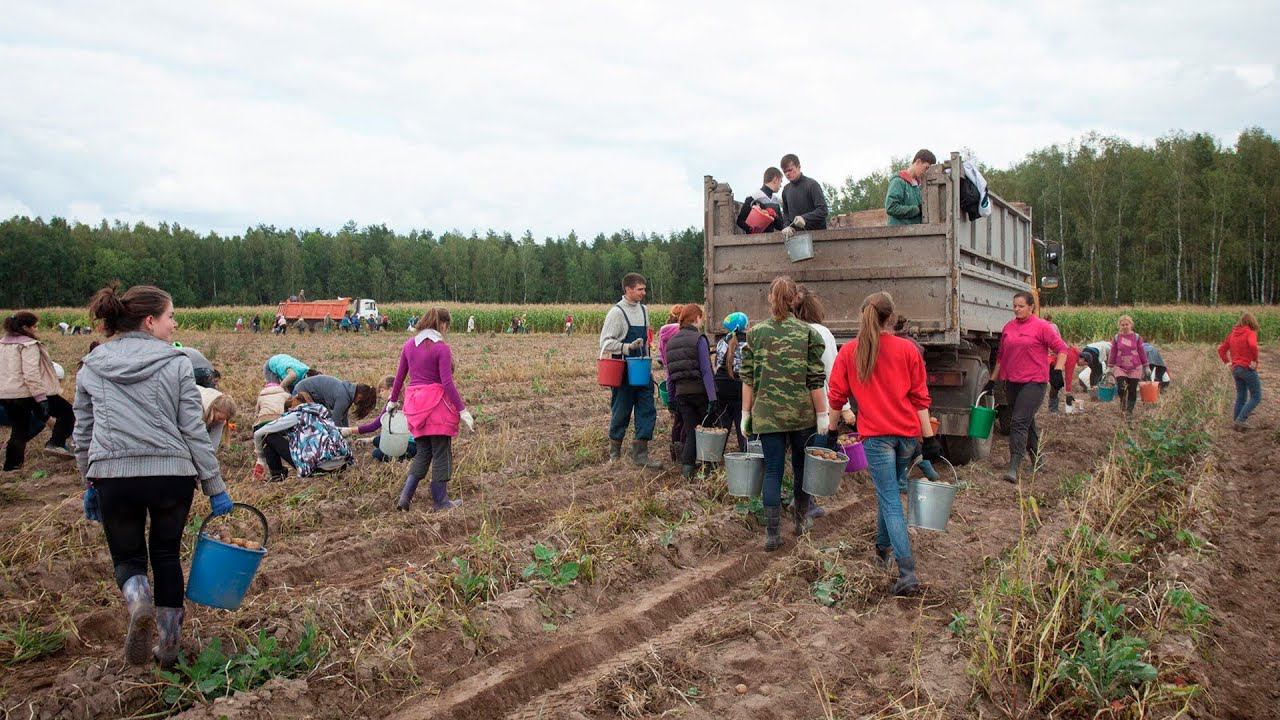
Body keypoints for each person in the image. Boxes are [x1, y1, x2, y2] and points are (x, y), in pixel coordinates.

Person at [74, 284, 231, 668]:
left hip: (114, 476)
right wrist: (215, 487)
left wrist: (90, 482)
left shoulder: (92, 366)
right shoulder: (176, 363)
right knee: (166, 556)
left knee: (128, 558)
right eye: (170, 316)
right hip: (171, 476)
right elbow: (194, 430)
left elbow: (82, 432)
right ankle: (170, 645)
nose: (174, 324)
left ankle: (139, 601)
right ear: (150, 321)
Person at [827, 291, 942, 595]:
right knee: (888, 491)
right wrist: (928, 439)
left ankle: (907, 572)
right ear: (891, 317)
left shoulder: (850, 351)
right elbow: (920, 398)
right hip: (907, 436)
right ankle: (882, 550)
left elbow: (836, 396)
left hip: (876, 438)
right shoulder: (907, 350)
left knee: (890, 499)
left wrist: (829, 431)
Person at [739, 276, 828, 550]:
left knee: (773, 471)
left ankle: (772, 533)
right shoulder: (808, 334)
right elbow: (815, 379)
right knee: (802, 469)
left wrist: (745, 414)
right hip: (801, 415)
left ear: (770, 299)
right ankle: (801, 523)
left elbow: (748, 378)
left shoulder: (755, 334)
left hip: (767, 416)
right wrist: (823, 414)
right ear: (795, 300)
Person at [389, 308, 474, 511]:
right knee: (441, 453)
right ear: (442, 324)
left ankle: (404, 498)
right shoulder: (441, 348)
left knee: (423, 453)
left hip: (416, 406)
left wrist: (392, 402)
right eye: (447, 327)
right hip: (437, 407)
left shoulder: (409, 345)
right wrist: (462, 410)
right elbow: (447, 383)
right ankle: (441, 501)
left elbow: (399, 378)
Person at [989, 292, 1068, 482]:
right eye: (1014, 306)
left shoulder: (1042, 327)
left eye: (1021, 306)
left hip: (1034, 382)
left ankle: (1014, 466)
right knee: (1026, 420)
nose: (1017, 309)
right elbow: (1001, 357)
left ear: (1031, 307)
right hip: (1012, 382)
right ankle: (1038, 460)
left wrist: (1057, 371)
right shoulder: (1008, 328)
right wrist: (992, 380)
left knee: (1017, 422)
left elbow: (1062, 349)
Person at [599, 273, 662, 468]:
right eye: (640, 289)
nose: (644, 292)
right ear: (628, 289)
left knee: (647, 410)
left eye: (644, 289)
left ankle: (640, 456)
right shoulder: (616, 313)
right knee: (621, 410)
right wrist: (627, 347)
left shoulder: (644, 310)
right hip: (624, 370)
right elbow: (605, 343)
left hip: (642, 369)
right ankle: (614, 455)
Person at [1, 311, 76, 468]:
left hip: (5, 394)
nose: (36, 330)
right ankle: (56, 442)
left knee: (20, 428)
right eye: (34, 327)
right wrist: (41, 398)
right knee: (67, 412)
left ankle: (12, 467)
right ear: (25, 327)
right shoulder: (28, 345)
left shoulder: (2, 344)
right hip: (26, 391)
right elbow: (31, 373)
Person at [793, 285, 838, 519]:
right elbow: (832, 370)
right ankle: (805, 503)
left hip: (791, 403)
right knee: (811, 454)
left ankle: (796, 498)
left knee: (795, 455)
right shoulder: (822, 333)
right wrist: (841, 407)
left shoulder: (789, 331)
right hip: (817, 403)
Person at [664, 304, 718, 479]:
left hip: (681, 394)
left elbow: (670, 374)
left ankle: (687, 471)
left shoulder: (671, 342)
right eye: (701, 318)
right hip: (700, 393)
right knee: (707, 431)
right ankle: (707, 469)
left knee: (691, 431)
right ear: (696, 318)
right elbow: (706, 370)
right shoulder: (699, 339)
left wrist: (672, 398)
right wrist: (712, 397)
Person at [253, 398, 354, 481]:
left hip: (318, 470)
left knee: (268, 436)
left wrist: (260, 459)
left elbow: (258, 433)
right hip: (342, 466)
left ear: (291, 409)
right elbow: (339, 431)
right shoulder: (322, 412)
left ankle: (277, 476)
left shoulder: (296, 415)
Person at [1218, 312, 1261, 431]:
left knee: (1241, 396)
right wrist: (1254, 360)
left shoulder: (1233, 334)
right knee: (1256, 396)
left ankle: (1237, 424)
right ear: (1252, 322)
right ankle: (1241, 420)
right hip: (1246, 368)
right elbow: (1253, 345)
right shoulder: (1250, 333)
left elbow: (1221, 349)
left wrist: (1227, 362)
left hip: (1236, 369)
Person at [713, 312, 749, 451]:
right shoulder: (749, 343)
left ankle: (714, 457)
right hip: (740, 388)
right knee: (743, 425)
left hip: (721, 387)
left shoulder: (722, 342)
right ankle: (746, 454)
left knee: (722, 426)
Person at [290, 374, 377, 427]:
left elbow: (343, 416)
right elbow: (336, 419)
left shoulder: (347, 392)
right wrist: (342, 437)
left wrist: (348, 432)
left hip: (308, 391)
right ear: (360, 396)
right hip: (302, 393)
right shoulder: (343, 397)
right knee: (308, 422)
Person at [657, 305, 685, 462]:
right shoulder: (679, 331)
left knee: (677, 418)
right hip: (681, 375)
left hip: (670, 373)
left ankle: (674, 450)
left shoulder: (664, 332)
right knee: (685, 418)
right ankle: (682, 450)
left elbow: (661, 354)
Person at [779, 154, 828, 239]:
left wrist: (805, 218)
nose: (787, 174)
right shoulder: (786, 190)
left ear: (798, 167)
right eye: (785, 172)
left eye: (790, 170)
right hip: (797, 238)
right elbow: (786, 213)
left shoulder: (812, 185)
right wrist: (786, 226)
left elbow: (823, 210)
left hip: (818, 237)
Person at [1108, 316, 1148, 419]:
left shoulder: (1137, 337)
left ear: (1131, 325)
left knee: (1132, 389)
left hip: (1135, 367)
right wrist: (1110, 366)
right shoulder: (1117, 338)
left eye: (1127, 324)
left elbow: (1141, 352)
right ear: (1119, 326)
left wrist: (1146, 366)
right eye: (1122, 325)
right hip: (1120, 367)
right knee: (1121, 388)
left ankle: (1129, 411)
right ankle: (1122, 403)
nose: (1125, 326)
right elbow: (1113, 352)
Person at [885, 149, 937, 226]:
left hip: (914, 233)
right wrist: (917, 209)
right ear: (918, 162)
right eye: (926, 168)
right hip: (899, 234)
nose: (926, 172)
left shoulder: (919, 187)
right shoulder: (898, 181)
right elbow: (891, 207)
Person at [735, 167, 786, 234]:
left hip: (771, 241)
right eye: (780, 181)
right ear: (775, 179)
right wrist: (751, 229)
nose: (781, 185)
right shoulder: (753, 197)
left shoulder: (776, 200)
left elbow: (781, 226)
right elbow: (740, 221)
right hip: (755, 242)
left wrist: (775, 216)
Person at [1047, 344, 1080, 413]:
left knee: (1057, 384)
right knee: (1056, 385)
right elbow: (1068, 375)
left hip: (1054, 363)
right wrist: (1068, 391)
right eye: (1085, 363)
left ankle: (1053, 409)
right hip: (1051, 363)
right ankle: (1052, 410)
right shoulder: (1073, 356)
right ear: (1083, 358)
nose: (1082, 365)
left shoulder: (1072, 352)